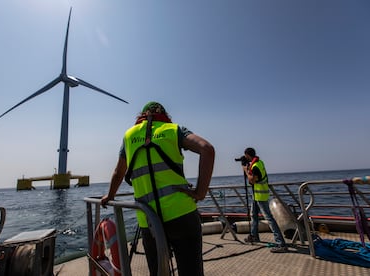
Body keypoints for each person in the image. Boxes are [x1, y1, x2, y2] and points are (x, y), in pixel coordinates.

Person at [101, 101, 215, 275]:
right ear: (164, 114)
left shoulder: (129, 136)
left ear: (142, 114)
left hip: (148, 219)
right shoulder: (173, 130)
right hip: (182, 215)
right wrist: (200, 192)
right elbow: (207, 149)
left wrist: (109, 196)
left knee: (158, 272)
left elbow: (118, 172)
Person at [241, 147, 288, 253]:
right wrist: (248, 168)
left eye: (246, 156)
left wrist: (245, 170)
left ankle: (281, 243)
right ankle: (254, 236)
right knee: (253, 215)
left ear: (248, 155)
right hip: (256, 195)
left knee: (269, 218)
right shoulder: (258, 163)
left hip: (260, 196)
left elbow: (252, 180)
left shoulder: (256, 166)